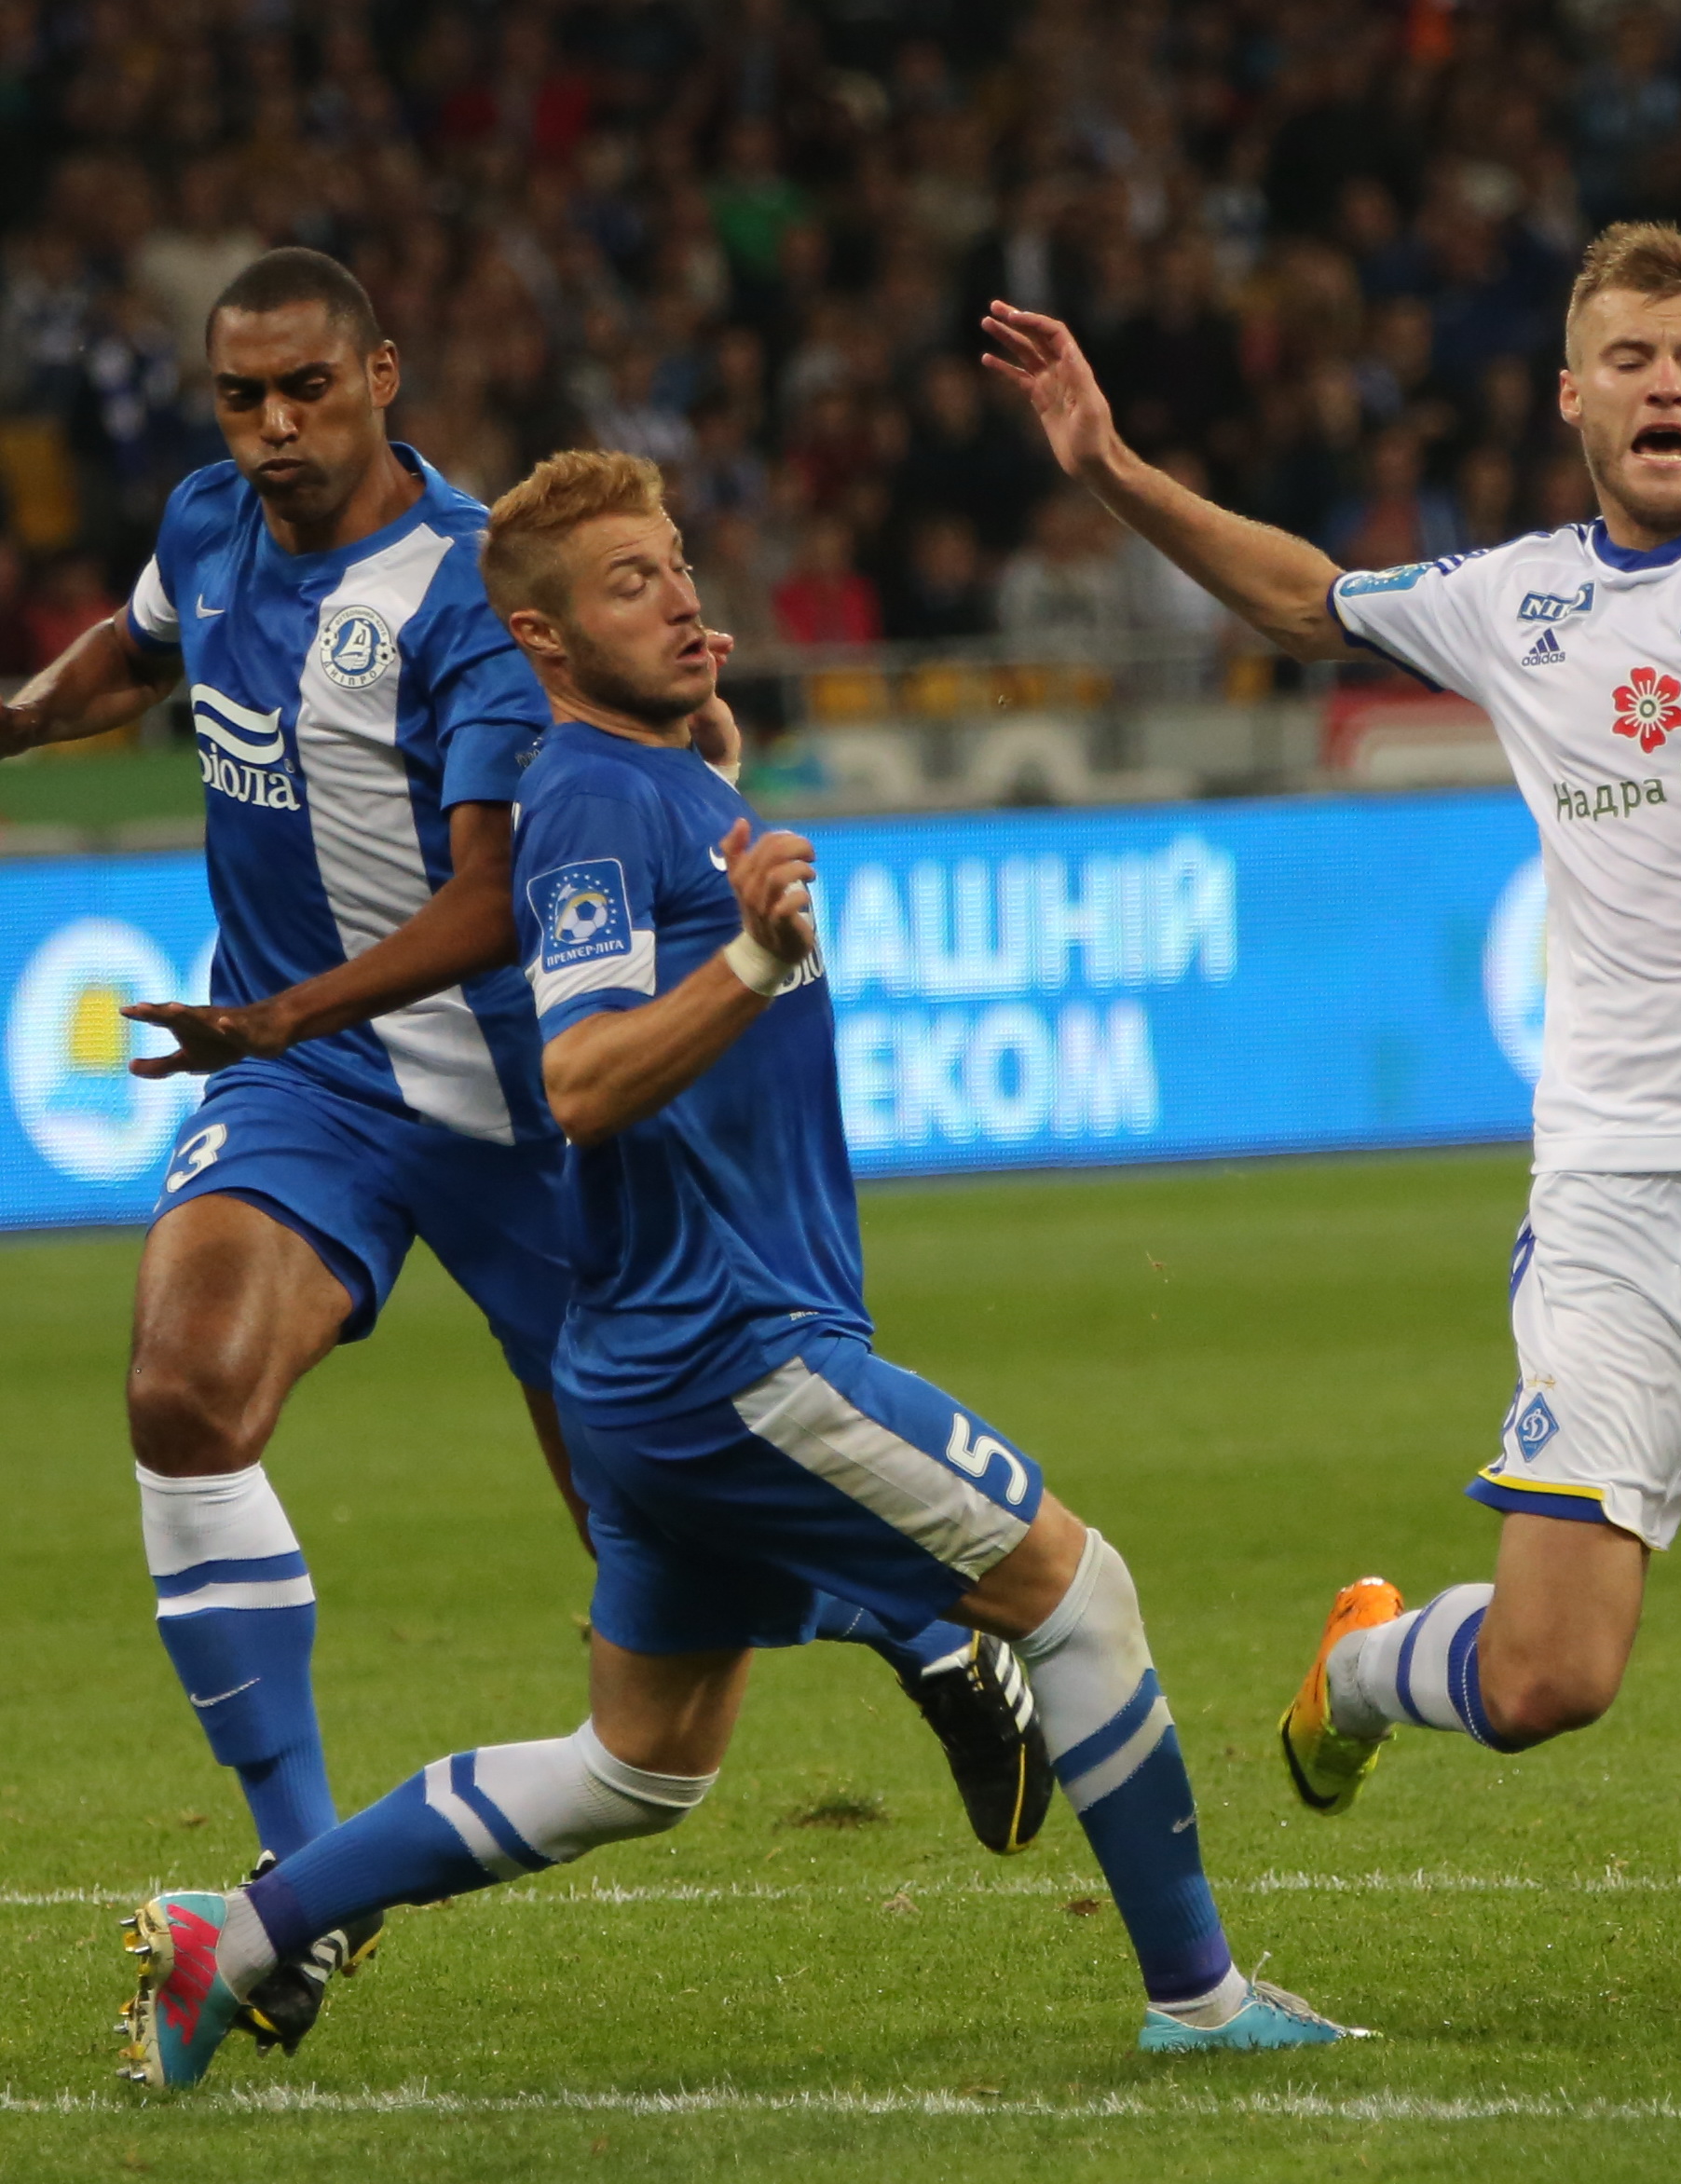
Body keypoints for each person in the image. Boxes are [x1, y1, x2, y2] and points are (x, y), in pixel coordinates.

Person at [116, 450, 1360, 2091]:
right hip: (732, 1354)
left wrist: (716, 794)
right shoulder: (586, 800)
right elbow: (577, 1080)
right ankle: (1200, 1998)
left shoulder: (659, 776)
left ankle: (248, 1938)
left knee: (642, 1764)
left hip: (658, 1361)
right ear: (546, 647)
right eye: (630, 583)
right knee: (1082, 1593)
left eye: (679, 562)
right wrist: (761, 956)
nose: (685, 595)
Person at [1, 250, 1044, 2067]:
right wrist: (20, 717)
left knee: (665, 1552)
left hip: (518, 1108)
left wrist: (281, 1016)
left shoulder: (464, 592)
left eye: (305, 390)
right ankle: (295, 1875)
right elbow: (138, 647)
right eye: (239, 397)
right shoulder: (210, 520)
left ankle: (924, 1630)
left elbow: (494, 897)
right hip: (307, 1093)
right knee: (182, 1387)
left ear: (382, 375)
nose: (270, 428)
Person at [981, 222, 1681, 1840]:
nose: (1663, 385)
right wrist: (1112, 465)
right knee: (1548, 1682)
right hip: (1622, 1200)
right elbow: (1302, 599)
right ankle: (1359, 1667)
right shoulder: (1515, 600)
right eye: (1630, 359)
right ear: (1573, 396)